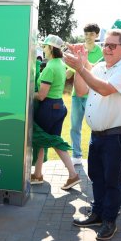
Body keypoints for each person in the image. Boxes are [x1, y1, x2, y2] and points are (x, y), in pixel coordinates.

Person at [64, 29, 121, 240]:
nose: (106, 49)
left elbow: (105, 89)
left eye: (112, 46)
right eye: (105, 44)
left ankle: (109, 220)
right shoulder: (99, 67)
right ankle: (97, 213)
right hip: (97, 135)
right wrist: (80, 68)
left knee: (112, 180)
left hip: (116, 136)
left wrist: (81, 67)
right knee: (96, 176)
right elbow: (81, 90)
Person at [31, 35, 80, 190]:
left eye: (45, 46)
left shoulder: (50, 67)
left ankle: (72, 175)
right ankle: (38, 174)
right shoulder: (60, 64)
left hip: (48, 108)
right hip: (59, 106)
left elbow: (41, 95)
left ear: (51, 48)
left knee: (47, 140)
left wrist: (28, 94)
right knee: (48, 141)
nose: (43, 49)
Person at [66, 23, 102, 166]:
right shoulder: (78, 49)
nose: (88, 37)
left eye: (92, 34)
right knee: (75, 126)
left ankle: (96, 155)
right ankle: (76, 155)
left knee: (96, 126)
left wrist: (83, 65)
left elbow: (98, 72)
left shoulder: (101, 52)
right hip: (77, 95)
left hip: (93, 95)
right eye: (86, 34)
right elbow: (69, 72)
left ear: (97, 35)